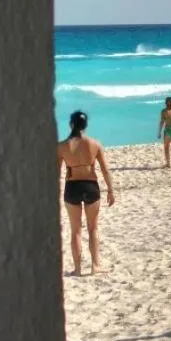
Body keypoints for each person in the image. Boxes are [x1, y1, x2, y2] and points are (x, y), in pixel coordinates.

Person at [56, 111, 114, 276]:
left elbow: (55, 172)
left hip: (72, 187)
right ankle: (95, 265)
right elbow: (105, 169)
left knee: (75, 230)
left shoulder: (61, 146)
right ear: (85, 125)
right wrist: (110, 189)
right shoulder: (94, 144)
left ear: (71, 124)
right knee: (93, 228)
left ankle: (77, 268)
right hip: (90, 186)